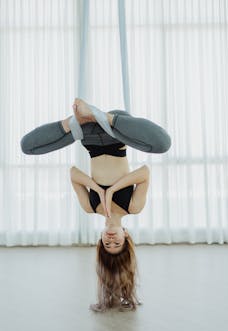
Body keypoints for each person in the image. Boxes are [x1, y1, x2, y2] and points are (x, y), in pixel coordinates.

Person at [20, 98, 171, 312]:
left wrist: (99, 190)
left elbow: (74, 174)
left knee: (27, 147)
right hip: (116, 132)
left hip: (88, 136)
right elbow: (144, 173)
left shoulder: (91, 207)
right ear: (125, 236)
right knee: (163, 144)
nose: (111, 241)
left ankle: (78, 119)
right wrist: (112, 190)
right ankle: (102, 116)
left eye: (107, 245)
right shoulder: (133, 207)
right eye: (116, 244)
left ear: (100, 240)